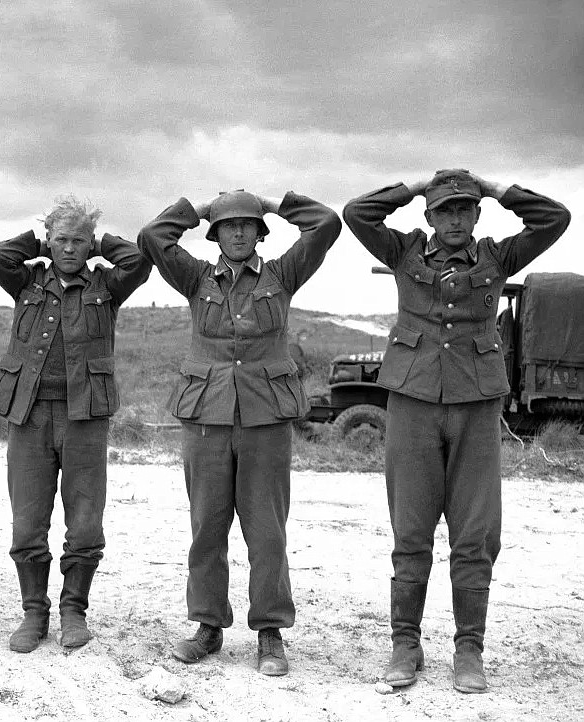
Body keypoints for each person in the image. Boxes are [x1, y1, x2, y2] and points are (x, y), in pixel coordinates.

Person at [343, 169, 570, 693]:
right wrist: (416, 186)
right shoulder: (404, 253)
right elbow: (358, 213)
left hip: (475, 406)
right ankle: (406, 644)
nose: (454, 219)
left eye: (464, 209)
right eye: (444, 209)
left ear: (476, 214)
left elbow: (555, 218)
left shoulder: (498, 258)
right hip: (412, 403)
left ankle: (469, 650)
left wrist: (496, 188)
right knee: (412, 530)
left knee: (474, 534)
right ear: (428, 215)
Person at [138, 188, 341, 673]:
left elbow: (327, 224)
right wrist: (200, 209)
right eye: (228, 224)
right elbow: (152, 236)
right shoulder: (195, 278)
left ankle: (270, 632)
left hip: (265, 418)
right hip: (206, 416)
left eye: (247, 223)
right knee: (207, 526)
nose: (237, 231)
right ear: (215, 233)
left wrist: (271, 203)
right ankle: (208, 627)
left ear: (259, 231)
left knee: (266, 529)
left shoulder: (282, 275)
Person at [0, 196, 151, 653]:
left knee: (85, 522)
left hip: (85, 417)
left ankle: (73, 609)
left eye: (79, 240)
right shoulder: (26, 279)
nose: (70, 248)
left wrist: (102, 244)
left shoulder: (107, 286)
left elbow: (138, 260)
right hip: (30, 414)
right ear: (49, 241)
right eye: (61, 240)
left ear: (91, 243)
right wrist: (36, 240)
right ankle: (34, 612)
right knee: (27, 523)